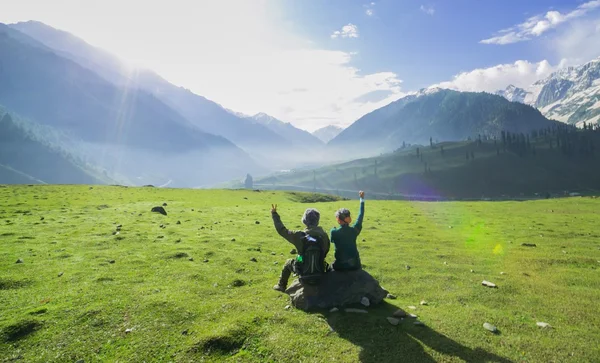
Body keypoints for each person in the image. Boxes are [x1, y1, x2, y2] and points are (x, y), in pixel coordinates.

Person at [270, 204, 331, 292]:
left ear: (305, 221)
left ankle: (281, 285)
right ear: (317, 220)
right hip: (320, 273)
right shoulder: (324, 235)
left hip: (303, 273)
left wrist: (274, 214)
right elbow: (325, 251)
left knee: (288, 263)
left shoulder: (299, 235)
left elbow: (282, 230)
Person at [330, 191, 365, 271]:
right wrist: (361, 199)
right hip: (355, 264)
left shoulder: (334, 232)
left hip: (340, 265)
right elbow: (361, 215)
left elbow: (332, 241)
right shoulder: (354, 230)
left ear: (338, 220)